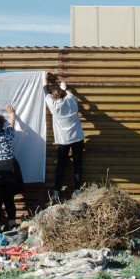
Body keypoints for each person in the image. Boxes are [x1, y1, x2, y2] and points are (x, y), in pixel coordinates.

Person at [44, 73, 85, 201]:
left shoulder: (53, 106)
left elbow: (45, 91)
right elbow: (71, 94)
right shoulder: (72, 101)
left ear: (54, 97)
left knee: (61, 165)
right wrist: (64, 87)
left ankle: (56, 192)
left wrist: (44, 79)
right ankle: (77, 190)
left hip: (63, 140)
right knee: (77, 164)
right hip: (77, 137)